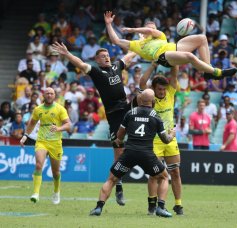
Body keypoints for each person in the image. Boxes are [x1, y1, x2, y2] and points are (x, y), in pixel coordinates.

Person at [52, 42, 138, 206]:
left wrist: (142, 44)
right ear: (97, 60)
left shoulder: (117, 66)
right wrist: (67, 54)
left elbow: (130, 55)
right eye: (103, 56)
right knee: (118, 154)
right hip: (113, 115)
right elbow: (82, 64)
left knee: (145, 95)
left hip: (126, 107)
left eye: (107, 55)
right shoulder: (97, 71)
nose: (107, 57)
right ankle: (118, 185)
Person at [89, 89, 175, 217]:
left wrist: (118, 141)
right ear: (153, 101)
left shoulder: (130, 113)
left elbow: (119, 135)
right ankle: (160, 207)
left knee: (111, 179)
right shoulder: (156, 116)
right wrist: (172, 134)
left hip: (129, 153)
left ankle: (98, 207)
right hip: (147, 155)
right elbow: (165, 140)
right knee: (163, 177)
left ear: (140, 100)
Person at [104, 11, 237, 81]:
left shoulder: (160, 35)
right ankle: (217, 72)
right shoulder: (136, 44)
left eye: (154, 27)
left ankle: (208, 72)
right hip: (163, 58)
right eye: (149, 27)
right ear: (142, 31)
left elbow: (150, 31)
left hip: (175, 48)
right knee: (190, 56)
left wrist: (133, 30)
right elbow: (116, 40)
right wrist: (109, 24)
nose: (152, 29)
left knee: (202, 38)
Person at [140, 63, 184, 215]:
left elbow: (174, 73)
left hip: (170, 139)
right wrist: (153, 64)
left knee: (176, 173)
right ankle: (152, 204)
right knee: (155, 175)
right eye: (159, 89)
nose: (162, 91)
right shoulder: (149, 98)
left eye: (164, 89)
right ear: (153, 89)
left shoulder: (170, 92)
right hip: (154, 140)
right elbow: (142, 83)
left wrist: (172, 57)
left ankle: (178, 205)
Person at [20, 87, 71, 204]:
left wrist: (59, 128)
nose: (49, 95)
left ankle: (56, 191)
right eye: (47, 93)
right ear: (43, 95)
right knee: (38, 165)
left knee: (55, 172)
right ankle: (36, 193)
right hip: (42, 141)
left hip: (55, 143)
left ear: (54, 96)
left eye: (51, 93)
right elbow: (32, 123)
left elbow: (68, 125)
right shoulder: (38, 109)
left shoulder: (60, 109)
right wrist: (25, 136)